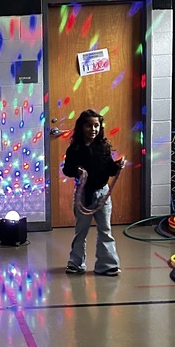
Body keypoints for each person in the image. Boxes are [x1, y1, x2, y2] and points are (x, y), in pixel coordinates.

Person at [62, 108, 125, 277]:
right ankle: (76, 263)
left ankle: (107, 264)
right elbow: (67, 170)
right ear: (81, 127)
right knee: (81, 230)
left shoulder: (103, 147)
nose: (93, 129)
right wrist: (77, 172)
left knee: (105, 229)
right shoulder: (74, 149)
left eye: (96, 125)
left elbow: (110, 170)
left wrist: (117, 165)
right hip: (83, 195)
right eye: (88, 126)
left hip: (102, 194)